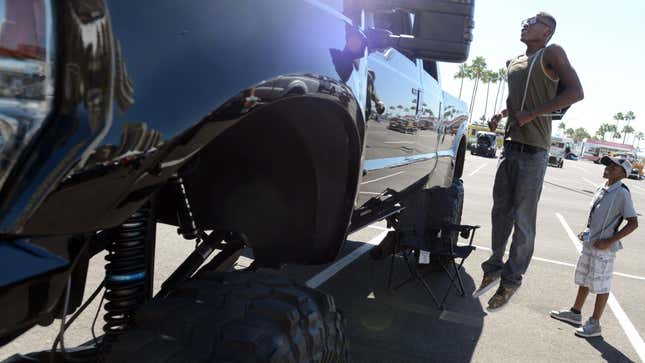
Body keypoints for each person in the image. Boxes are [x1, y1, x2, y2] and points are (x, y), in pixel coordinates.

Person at [473, 12, 584, 311]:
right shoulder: (512, 62)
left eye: (533, 21)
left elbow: (576, 92)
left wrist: (533, 114)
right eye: (525, 20)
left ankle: (511, 280)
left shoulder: (552, 53)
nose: (525, 24)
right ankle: (493, 269)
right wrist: (502, 114)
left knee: (523, 220)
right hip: (509, 148)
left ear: (547, 31)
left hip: (534, 152)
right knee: (500, 214)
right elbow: (517, 102)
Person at [550, 157, 638, 337]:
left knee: (601, 285)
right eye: (608, 165)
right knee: (584, 278)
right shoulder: (602, 187)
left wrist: (610, 241)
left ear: (623, 174)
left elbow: (633, 223)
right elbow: (595, 214)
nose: (608, 168)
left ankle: (595, 323)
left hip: (604, 248)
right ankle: (575, 313)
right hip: (591, 243)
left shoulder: (622, 193)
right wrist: (587, 230)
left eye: (614, 167)